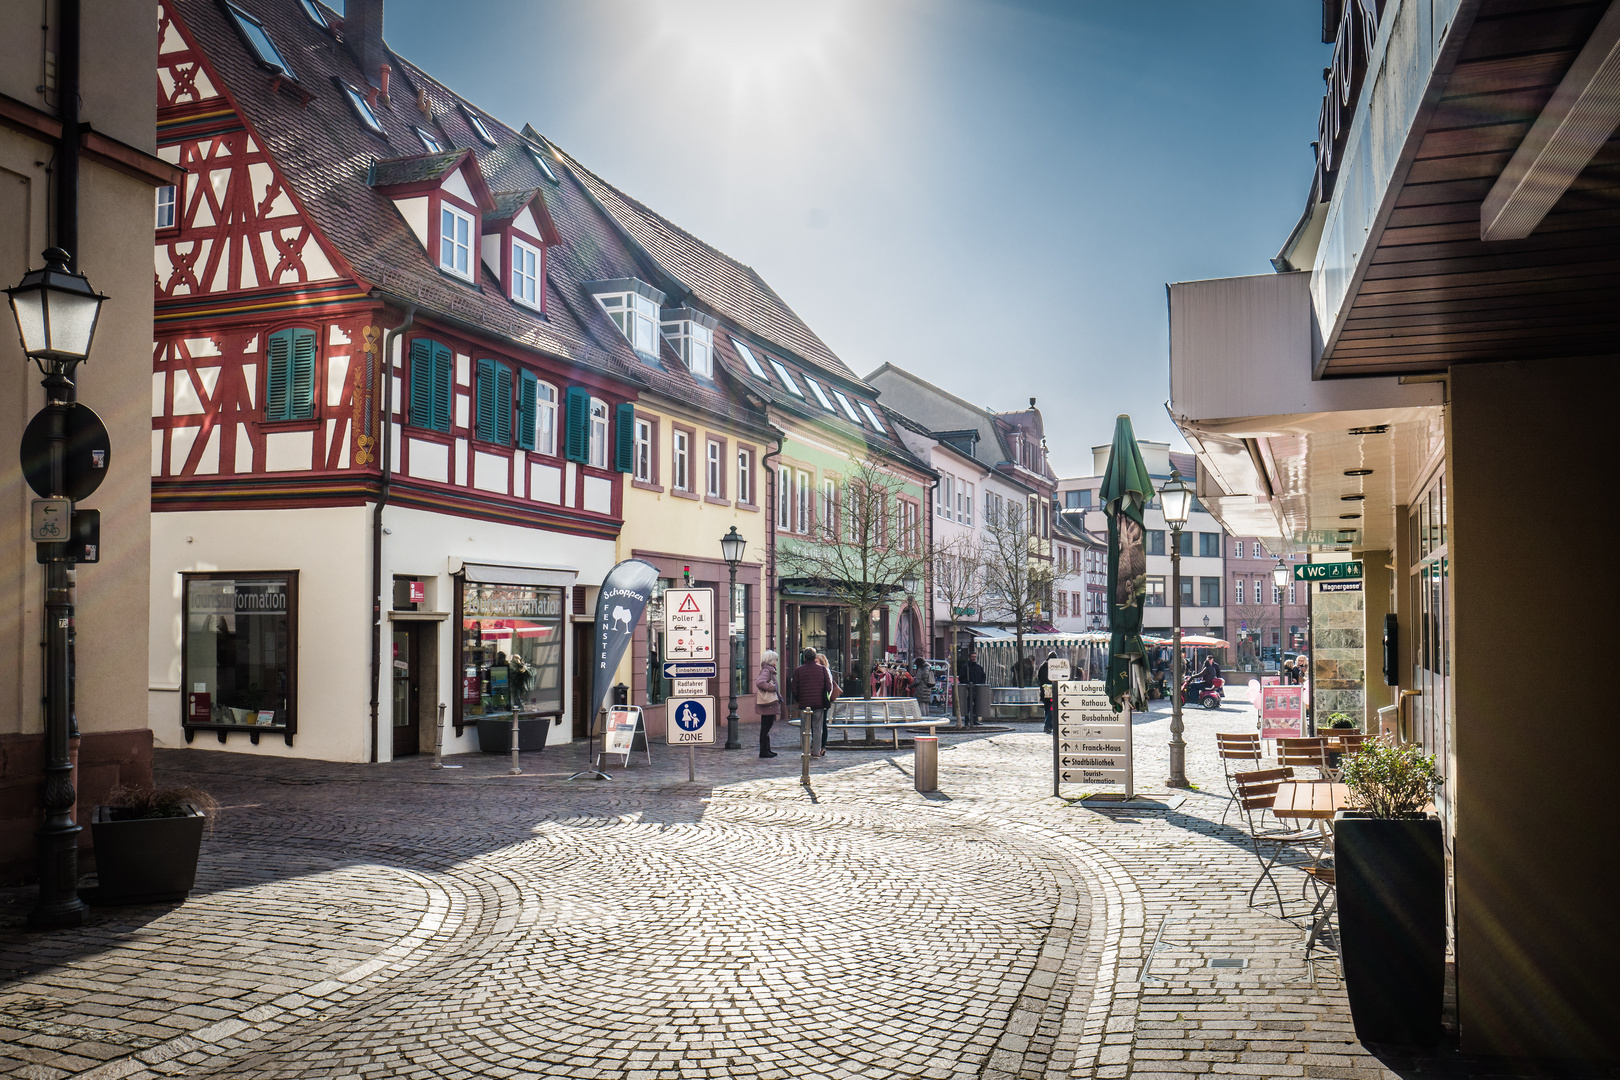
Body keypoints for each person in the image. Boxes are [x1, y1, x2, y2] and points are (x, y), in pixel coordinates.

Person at [792, 648, 832, 756]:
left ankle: (805, 751)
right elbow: (828, 686)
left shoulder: (799, 670)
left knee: (805, 729)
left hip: (805, 704)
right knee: (817, 729)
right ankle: (816, 751)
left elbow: (794, 688)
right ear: (815, 657)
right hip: (819, 704)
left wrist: (799, 699)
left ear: (804, 657)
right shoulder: (822, 670)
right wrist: (823, 697)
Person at [755, 649, 780, 758]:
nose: (776, 661)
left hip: (769, 703)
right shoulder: (767, 671)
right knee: (766, 726)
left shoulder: (769, 670)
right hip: (768, 703)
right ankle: (764, 751)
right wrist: (772, 687)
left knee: (767, 726)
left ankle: (767, 749)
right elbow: (760, 682)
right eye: (776, 659)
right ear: (771, 660)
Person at [958, 650, 987, 727]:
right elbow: (961, 678)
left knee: (976, 705)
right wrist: (968, 684)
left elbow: (983, 676)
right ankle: (967, 721)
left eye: (975, 657)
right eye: (972, 657)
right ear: (969, 657)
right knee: (967, 706)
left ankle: (975, 720)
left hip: (977, 689)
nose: (974, 658)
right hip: (968, 689)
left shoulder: (979, 667)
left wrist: (980, 684)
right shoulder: (965, 667)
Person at [1036, 650, 1060, 734]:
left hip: (1044, 691)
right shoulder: (1056, 666)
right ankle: (1047, 726)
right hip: (1053, 690)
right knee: (1051, 709)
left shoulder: (1042, 666)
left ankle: (1049, 725)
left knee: (1047, 709)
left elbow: (1039, 678)